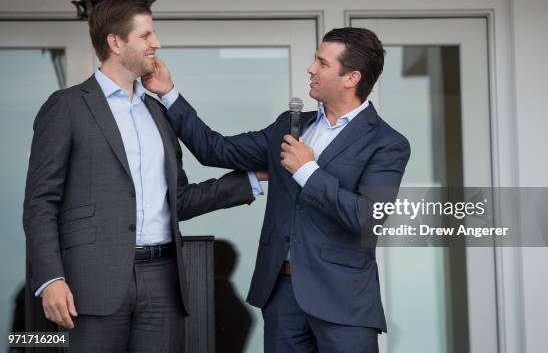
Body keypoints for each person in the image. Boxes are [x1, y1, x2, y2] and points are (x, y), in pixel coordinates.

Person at [144, 27, 410, 352]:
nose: (311, 69)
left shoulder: (387, 143)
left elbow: (368, 218)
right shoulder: (290, 125)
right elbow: (216, 150)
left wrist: (308, 171)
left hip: (345, 301)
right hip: (282, 293)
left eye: (322, 63)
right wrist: (168, 92)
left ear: (351, 77)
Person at [22, 0, 262, 352]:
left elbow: (178, 199)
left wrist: (252, 179)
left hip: (163, 280)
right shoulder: (67, 107)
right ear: (115, 42)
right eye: (146, 35)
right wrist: (50, 278)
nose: (156, 44)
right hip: (90, 283)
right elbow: (40, 202)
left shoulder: (159, 112)